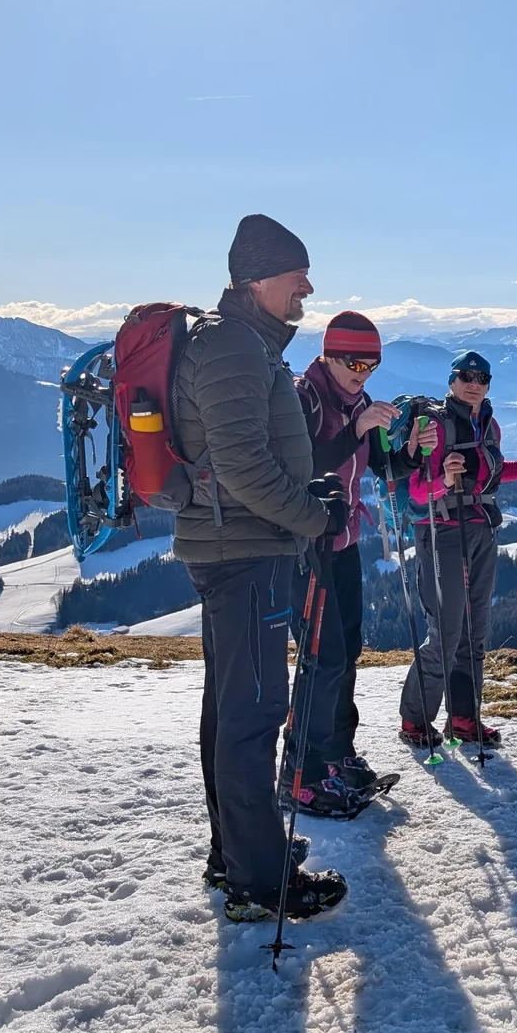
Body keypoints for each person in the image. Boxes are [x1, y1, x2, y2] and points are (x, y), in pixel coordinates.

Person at [171, 214, 348, 924]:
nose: (307, 287)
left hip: (238, 547)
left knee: (231, 710)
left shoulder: (240, 343)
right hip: (244, 554)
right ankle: (258, 882)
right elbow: (243, 465)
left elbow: (246, 455)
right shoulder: (234, 347)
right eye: (296, 275)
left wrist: (307, 493)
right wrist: (312, 517)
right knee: (252, 715)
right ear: (256, 279)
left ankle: (239, 853)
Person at [399, 350, 517, 748]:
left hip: (481, 529)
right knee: (446, 633)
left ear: (488, 386)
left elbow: (496, 473)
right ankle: (415, 721)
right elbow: (417, 492)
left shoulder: (489, 425)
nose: (474, 383)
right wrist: (444, 480)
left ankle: (464, 719)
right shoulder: (434, 426)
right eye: (466, 376)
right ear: (452, 381)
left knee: (475, 632)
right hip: (440, 532)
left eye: (481, 378)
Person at [289, 309, 403, 816]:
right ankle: (303, 773)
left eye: (372, 365)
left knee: (347, 650)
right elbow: (301, 465)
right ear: (329, 355)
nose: (363, 373)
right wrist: (357, 428)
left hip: (344, 541)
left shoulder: (357, 403)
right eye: (355, 363)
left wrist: (413, 451)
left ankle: (337, 753)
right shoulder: (302, 398)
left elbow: (382, 465)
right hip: (307, 547)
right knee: (323, 656)